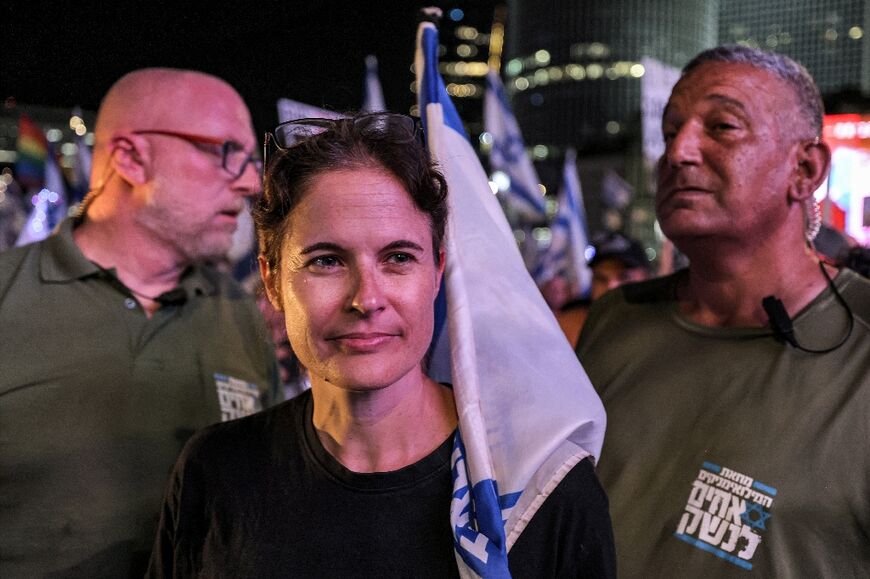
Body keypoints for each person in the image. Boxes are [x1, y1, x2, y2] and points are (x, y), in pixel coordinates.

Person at [147, 112, 615, 577]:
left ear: (437, 271)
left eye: (397, 258)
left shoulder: (541, 488)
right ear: (271, 281)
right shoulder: (215, 472)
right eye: (327, 261)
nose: (366, 298)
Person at [577, 45, 870, 577]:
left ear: (804, 168)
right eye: (671, 132)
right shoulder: (615, 318)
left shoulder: (860, 344)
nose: (680, 152)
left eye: (722, 127)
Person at [0, 68, 282, 578]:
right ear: (130, 158)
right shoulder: (7, 293)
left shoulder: (241, 315)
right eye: (225, 152)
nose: (250, 181)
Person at [556, 232, 653, 346]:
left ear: (645, 278)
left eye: (624, 277)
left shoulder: (665, 325)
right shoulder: (568, 327)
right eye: (601, 278)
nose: (611, 286)